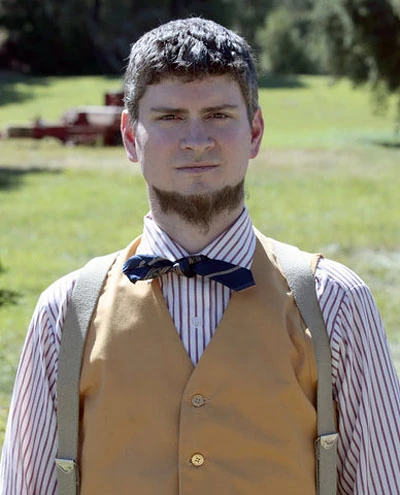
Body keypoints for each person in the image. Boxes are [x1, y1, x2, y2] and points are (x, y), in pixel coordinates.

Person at [1, 17, 400, 495]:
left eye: (218, 115)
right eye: (169, 117)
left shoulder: (335, 303)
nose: (195, 140)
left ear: (255, 132)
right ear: (129, 136)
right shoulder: (66, 313)